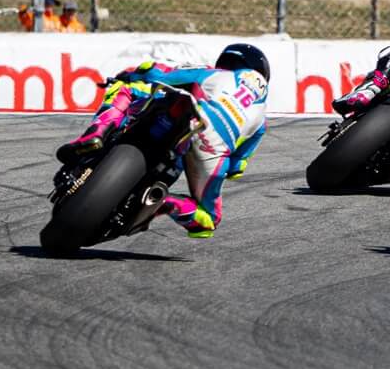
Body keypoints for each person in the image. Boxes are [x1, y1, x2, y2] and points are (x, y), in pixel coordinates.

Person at [57, 44, 270, 239]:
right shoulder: (261, 120)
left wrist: (132, 75)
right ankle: (165, 202)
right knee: (208, 221)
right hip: (213, 148)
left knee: (124, 88)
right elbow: (236, 169)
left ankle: (96, 133)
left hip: (189, 112)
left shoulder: (215, 73)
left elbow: (159, 73)